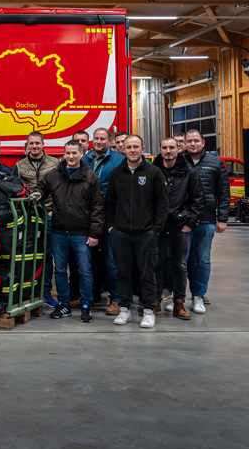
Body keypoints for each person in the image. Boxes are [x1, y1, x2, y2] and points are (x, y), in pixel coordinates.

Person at [32, 140, 104, 322]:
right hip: (59, 232)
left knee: (85, 271)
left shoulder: (91, 176)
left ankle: (85, 305)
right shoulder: (55, 174)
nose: (70, 157)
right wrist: (37, 193)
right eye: (67, 153)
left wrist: (94, 233)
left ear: (81, 154)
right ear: (63, 154)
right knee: (61, 271)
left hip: (81, 234)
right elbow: (42, 187)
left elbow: (98, 207)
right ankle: (64, 305)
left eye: (74, 153)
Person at [106, 135, 168, 329]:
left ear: (142, 148)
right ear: (122, 149)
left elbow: (162, 203)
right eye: (128, 147)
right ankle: (124, 310)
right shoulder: (116, 173)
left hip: (146, 233)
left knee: (147, 273)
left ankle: (148, 311)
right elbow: (109, 203)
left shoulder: (154, 172)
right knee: (123, 273)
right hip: (121, 233)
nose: (132, 150)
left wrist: (156, 229)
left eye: (135, 147)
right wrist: (111, 227)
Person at [152, 137, 204, 320]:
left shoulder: (189, 172)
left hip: (180, 226)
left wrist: (190, 223)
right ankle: (156, 300)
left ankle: (179, 302)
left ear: (178, 149)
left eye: (171, 148)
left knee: (180, 265)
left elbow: (198, 200)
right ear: (160, 149)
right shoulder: (153, 171)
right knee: (156, 264)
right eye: (164, 147)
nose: (168, 151)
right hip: (158, 226)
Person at [183, 129, 229, 313]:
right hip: (184, 221)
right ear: (184, 144)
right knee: (181, 260)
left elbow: (224, 192)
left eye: (196, 141)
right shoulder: (180, 162)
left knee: (201, 260)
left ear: (203, 143)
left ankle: (198, 296)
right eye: (189, 141)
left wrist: (222, 218)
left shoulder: (216, 163)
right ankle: (178, 296)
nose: (193, 144)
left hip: (206, 220)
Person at [82, 127, 126, 315]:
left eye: (102, 139)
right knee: (88, 260)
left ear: (110, 141)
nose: (99, 142)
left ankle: (115, 299)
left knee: (111, 260)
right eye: (96, 139)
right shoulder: (84, 160)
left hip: (110, 216)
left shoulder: (119, 160)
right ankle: (89, 296)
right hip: (87, 216)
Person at [12, 131, 60, 307]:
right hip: (28, 217)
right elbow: (15, 189)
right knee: (27, 254)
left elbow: (61, 190)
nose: (34, 146)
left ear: (43, 144)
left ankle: (45, 293)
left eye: (37, 143)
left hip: (47, 214)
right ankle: (26, 292)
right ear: (27, 145)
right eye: (31, 143)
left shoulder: (55, 163)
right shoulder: (19, 165)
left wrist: (55, 210)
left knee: (47, 255)